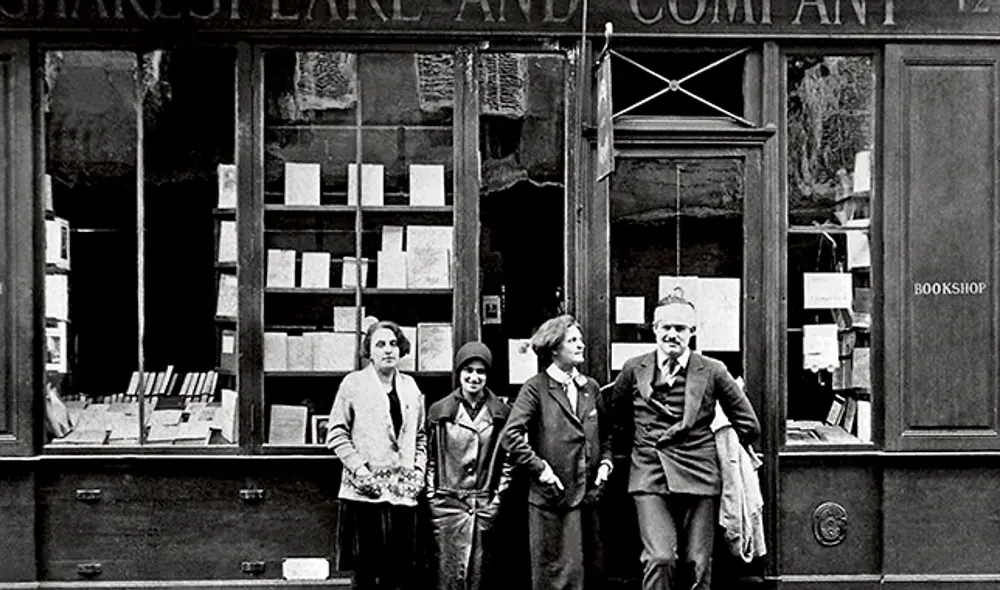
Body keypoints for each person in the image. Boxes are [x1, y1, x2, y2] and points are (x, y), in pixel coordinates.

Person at [607, 293, 760, 590]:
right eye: (665, 327)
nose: (672, 334)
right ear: (654, 329)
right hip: (650, 473)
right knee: (660, 557)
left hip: (699, 474)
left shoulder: (713, 369)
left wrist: (722, 454)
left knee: (697, 562)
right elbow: (617, 420)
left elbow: (748, 424)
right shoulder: (633, 368)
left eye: (680, 328)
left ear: (693, 331)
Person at [501, 315, 613, 590]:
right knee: (555, 579)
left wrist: (606, 463)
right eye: (572, 340)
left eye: (581, 339)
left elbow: (606, 433)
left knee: (590, 576)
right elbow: (511, 437)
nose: (581, 345)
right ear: (554, 349)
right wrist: (541, 470)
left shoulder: (590, 387)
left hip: (588, 498)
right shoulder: (536, 388)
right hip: (553, 500)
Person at [326, 320, 426, 590]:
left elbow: (420, 435)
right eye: (380, 344)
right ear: (369, 351)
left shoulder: (411, 387)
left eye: (393, 344)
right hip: (364, 496)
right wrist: (360, 471)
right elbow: (335, 433)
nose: (388, 350)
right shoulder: (354, 384)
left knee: (402, 573)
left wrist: (418, 472)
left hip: (403, 496)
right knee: (367, 572)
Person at [425, 341, 512, 590]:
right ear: (459, 373)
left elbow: (508, 462)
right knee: (448, 577)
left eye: (480, 371)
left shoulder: (501, 415)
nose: (474, 377)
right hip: (447, 505)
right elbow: (430, 457)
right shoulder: (440, 411)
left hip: (483, 504)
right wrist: (433, 497)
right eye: (468, 370)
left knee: (481, 576)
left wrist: (496, 500)